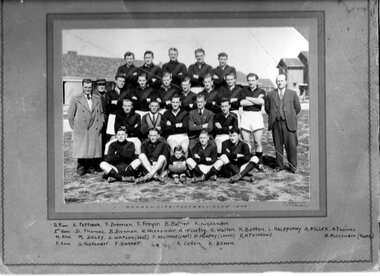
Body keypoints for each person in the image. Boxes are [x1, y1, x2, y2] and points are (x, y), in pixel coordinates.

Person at [67, 79, 105, 176]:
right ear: (82, 87)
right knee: (82, 149)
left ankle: (91, 167)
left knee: (92, 148)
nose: (88, 89)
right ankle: (81, 168)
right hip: (82, 128)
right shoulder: (76, 98)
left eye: (89, 87)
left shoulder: (97, 98)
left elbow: (101, 113)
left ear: (92, 87)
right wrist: (76, 128)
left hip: (94, 127)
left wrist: (100, 124)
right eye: (85, 87)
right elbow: (70, 115)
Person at [265, 74, 301, 173]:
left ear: (286, 82)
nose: (280, 83)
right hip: (276, 124)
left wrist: (290, 116)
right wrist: (274, 116)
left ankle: (293, 166)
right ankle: (279, 165)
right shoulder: (270, 94)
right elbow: (267, 108)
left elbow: (297, 108)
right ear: (276, 82)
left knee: (291, 146)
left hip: (288, 123)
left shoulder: (292, 94)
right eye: (278, 81)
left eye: (282, 81)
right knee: (278, 146)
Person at [240, 73, 266, 167]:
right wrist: (255, 100)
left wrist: (248, 98)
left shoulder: (261, 90)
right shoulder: (244, 90)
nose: (251, 82)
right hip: (246, 116)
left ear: (257, 81)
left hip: (256, 116)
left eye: (253, 80)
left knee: (257, 141)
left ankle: (259, 162)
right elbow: (242, 103)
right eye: (249, 80)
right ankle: (247, 161)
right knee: (246, 141)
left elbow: (261, 101)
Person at [93, 78, 108, 156]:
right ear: (96, 86)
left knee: (105, 141)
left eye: (103, 85)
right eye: (100, 85)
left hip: (106, 121)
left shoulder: (106, 95)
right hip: (97, 122)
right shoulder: (93, 95)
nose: (102, 86)